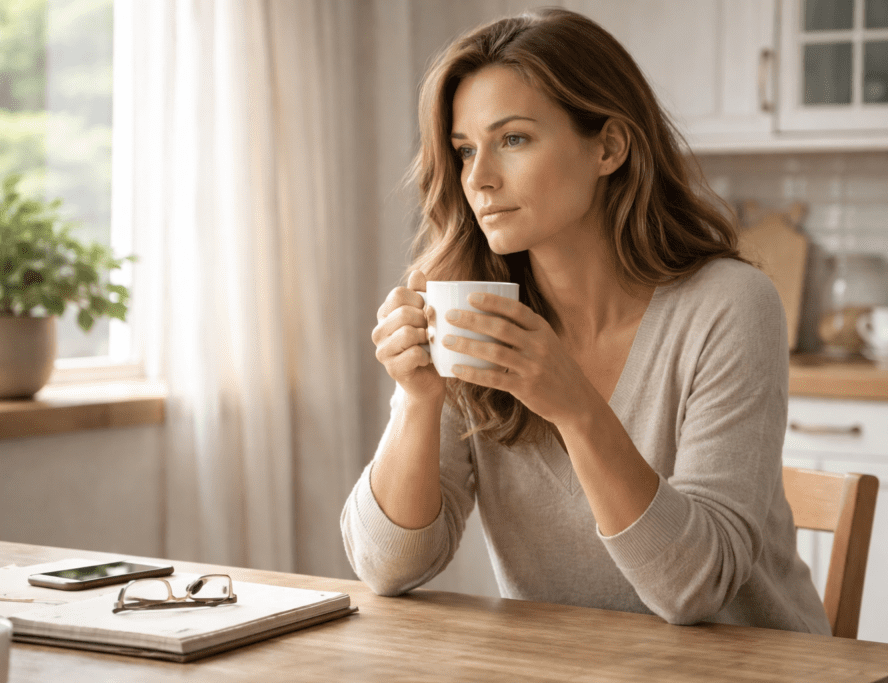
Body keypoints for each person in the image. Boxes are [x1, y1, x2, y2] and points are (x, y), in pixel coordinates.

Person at [341, 7, 830, 634]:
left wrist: (573, 406)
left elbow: (695, 588)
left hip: (756, 671)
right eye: (465, 151)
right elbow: (387, 569)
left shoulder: (729, 306)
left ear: (608, 146)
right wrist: (417, 398)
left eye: (512, 139)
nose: (480, 179)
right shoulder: (478, 307)